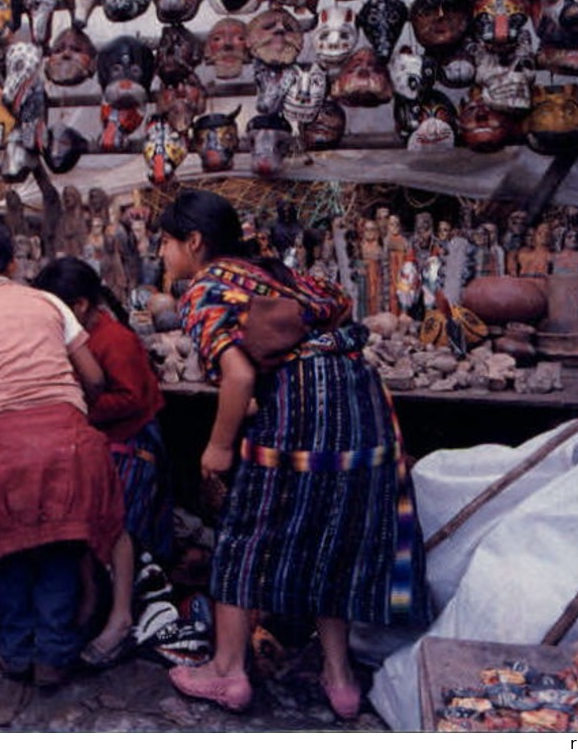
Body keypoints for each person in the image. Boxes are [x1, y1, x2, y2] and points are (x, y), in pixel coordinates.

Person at [157, 190, 428, 719]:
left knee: (244, 534)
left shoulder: (205, 288)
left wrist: (216, 448)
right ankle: (340, 678)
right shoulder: (274, 273)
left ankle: (228, 672)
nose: (163, 254)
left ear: (194, 242)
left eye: (166, 242)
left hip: (300, 408)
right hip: (358, 402)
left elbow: (238, 374)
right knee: (335, 534)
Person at [0, 220, 125, 688]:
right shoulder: (50, 302)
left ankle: (17, 650)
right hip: (68, 442)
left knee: (13, 550)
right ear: (14, 264)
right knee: (61, 549)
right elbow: (96, 379)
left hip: (6, 446)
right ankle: (55, 657)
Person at [33, 257, 175, 669]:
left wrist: (75, 405)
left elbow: (132, 398)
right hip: (93, 439)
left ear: (77, 306)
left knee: (114, 521)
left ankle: (119, 617)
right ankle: (89, 604)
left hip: (131, 440)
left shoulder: (116, 340)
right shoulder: (76, 337)